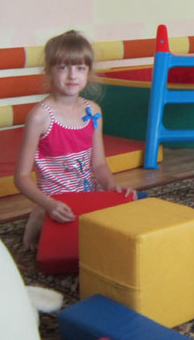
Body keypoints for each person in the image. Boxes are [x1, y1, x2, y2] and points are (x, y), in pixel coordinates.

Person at [15, 30, 137, 249]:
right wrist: (48, 204)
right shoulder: (40, 117)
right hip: (55, 200)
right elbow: (21, 177)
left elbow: (99, 164)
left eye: (80, 68)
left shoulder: (93, 111)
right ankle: (38, 215)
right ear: (48, 71)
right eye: (63, 67)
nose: (72, 76)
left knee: (121, 231)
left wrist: (112, 187)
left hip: (87, 194)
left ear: (88, 71)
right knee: (68, 246)